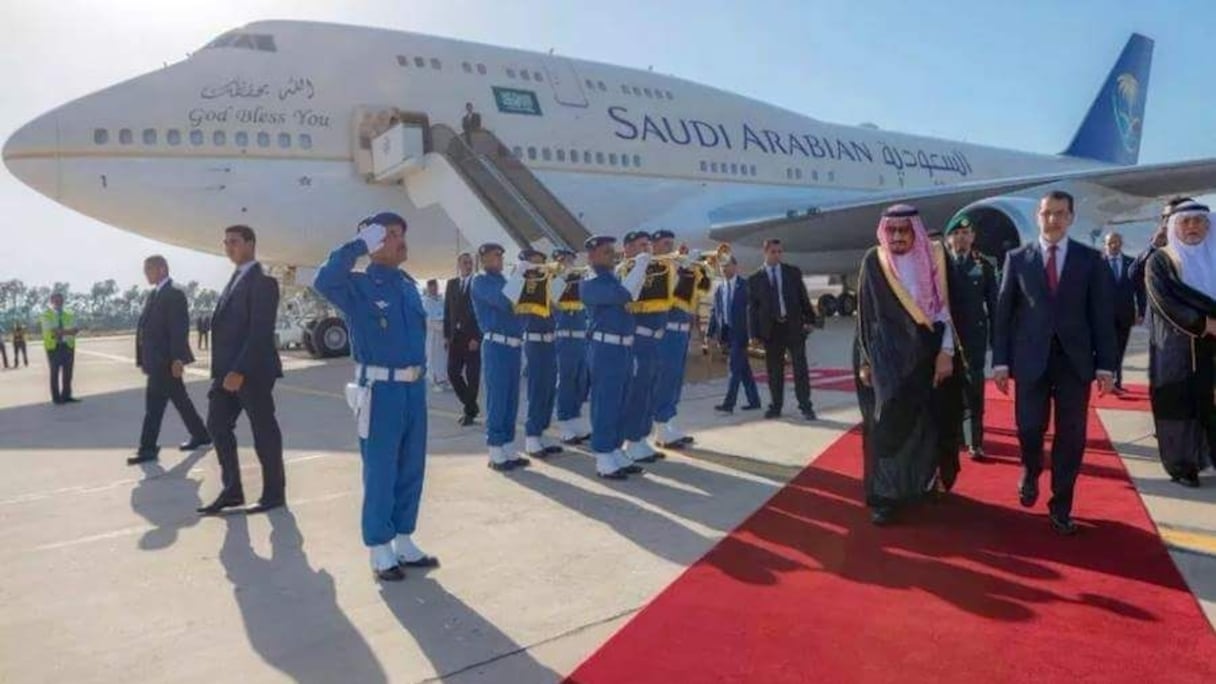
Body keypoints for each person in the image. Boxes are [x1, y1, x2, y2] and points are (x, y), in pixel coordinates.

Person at [314, 212, 439, 582]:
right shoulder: (357, 286)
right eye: (390, 235)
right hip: (380, 390)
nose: (401, 240)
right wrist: (358, 244)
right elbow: (324, 279)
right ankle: (380, 547)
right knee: (381, 468)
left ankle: (403, 538)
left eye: (401, 233)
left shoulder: (404, 285)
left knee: (411, 466)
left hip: (413, 388)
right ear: (372, 243)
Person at [993, 190, 1117, 535]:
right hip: (1030, 361)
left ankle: (1061, 505)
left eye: (1060, 213)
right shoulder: (1017, 259)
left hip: (1074, 364)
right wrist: (1001, 361)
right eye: (1047, 213)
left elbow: (1102, 317)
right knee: (1029, 428)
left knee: (1071, 437)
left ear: (1071, 217)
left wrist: (1106, 365)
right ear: (1038, 217)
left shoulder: (1090, 260)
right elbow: (1004, 315)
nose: (1053, 220)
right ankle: (1031, 470)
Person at [854, 205, 959, 525]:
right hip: (887, 359)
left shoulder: (934, 259)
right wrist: (866, 361)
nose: (897, 236)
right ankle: (885, 497)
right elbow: (865, 314)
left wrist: (946, 352)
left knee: (925, 424)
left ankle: (921, 485)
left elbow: (944, 312)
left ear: (915, 231)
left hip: (927, 356)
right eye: (892, 231)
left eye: (904, 230)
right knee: (887, 425)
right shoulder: (874, 261)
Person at [198, 225, 286, 516]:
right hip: (226, 374)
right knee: (216, 425)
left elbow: (259, 332)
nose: (228, 247)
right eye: (225, 243)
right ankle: (232, 490)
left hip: (253, 371)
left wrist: (239, 370)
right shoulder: (234, 279)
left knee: (264, 431)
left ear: (250, 244)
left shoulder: (264, 283)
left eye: (234, 242)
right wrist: (224, 372)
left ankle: (274, 493)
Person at [1145, 201, 1216, 487]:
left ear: (1208, 225)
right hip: (1178, 347)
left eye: (1198, 221)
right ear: (1175, 227)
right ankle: (1183, 466)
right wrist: (1204, 324)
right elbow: (1164, 301)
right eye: (1185, 222)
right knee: (1179, 405)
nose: (1192, 227)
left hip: (1212, 352)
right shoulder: (1161, 260)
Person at [129, 255, 211, 466]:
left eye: (149, 269)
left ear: (162, 269)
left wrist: (177, 359)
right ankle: (201, 435)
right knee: (181, 401)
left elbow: (178, 330)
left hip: (165, 362)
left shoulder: (174, 295)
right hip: (155, 361)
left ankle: (147, 448)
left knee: (153, 408)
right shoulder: (154, 295)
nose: (146, 274)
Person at [583, 235, 650, 478]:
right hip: (605, 349)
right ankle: (603, 456)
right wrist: (641, 264)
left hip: (623, 347)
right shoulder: (590, 282)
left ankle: (615, 449)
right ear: (591, 256)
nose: (613, 255)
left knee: (622, 402)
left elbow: (633, 293)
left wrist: (641, 269)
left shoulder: (613, 278)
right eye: (606, 252)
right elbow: (624, 295)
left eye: (613, 251)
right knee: (606, 402)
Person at [470, 242, 531, 471]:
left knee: (511, 398)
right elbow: (504, 301)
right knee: (497, 397)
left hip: (513, 345)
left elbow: (521, 308)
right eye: (495, 255)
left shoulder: (505, 281)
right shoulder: (480, 281)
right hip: (496, 345)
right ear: (483, 258)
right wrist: (519, 275)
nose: (499, 258)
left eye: (501, 255)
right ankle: (496, 449)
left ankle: (507, 445)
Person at [943, 216, 998, 461]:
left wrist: (998, 342)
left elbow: (994, 306)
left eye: (966, 233)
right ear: (948, 239)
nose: (962, 238)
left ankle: (975, 442)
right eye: (957, 234)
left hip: (974, 340)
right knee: (948, 391)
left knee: (974, 391)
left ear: (973, 237)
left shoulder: (984, 265)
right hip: (946, 340)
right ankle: (953, 438)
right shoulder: (939, 266)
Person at [617, 231, 675, 464]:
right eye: (642, 245)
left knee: (649, 390)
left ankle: (641, 437)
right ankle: (632, 440)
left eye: (649, 246)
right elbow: (629, 296)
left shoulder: (657, 268)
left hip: (654, 339)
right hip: (638, 339)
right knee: (637, 392)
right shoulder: (626, 269)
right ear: (628, 248)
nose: (647, 250)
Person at [748, 238, 818, 420]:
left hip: (793, 326)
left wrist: (810, 319)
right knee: (774, 371)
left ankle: (806, 406)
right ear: (765, 253)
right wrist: (753, 334)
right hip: (771, 330)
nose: (777, 255)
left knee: (800, 369)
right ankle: (775, 406)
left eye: (780, 252)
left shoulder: (792, 273)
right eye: (773, 252)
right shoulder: (755, 279)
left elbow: (803, 297)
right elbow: (753, 309)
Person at [651, 230, 700, 448]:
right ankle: (661, 427)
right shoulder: (656, 269)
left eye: (671, 243)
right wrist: (683, 268)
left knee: (676, 380)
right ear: (654, 246)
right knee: (666, 379)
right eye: (664, 244)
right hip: (667, 331)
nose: (669, 248)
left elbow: (693, 296)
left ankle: (669, 423)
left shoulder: (674, 266)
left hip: (681, 330)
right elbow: (669, 294)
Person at [517, 249, 564, 458]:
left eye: (542, 263)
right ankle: (532, 436)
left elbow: (560, 298)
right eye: (535, 263)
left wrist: (558, 273)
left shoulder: (546, 282)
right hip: (535, 341)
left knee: (548, 390)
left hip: (550, 341)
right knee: (537, 390)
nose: (540, 267)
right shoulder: (523, 284)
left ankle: (541, 433)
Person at [708, 256, 761, 413]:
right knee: (743, 368)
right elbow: (714, 313)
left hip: (741, 333)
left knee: (734, 367)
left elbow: (753, 312)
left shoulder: (745, 286)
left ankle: (729, 404)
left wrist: (753, 335)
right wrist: (710, 333)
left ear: (736, 266)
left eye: (728, 265)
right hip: (726, 333)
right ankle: (754, 400)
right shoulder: (719, 289)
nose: (724, 269)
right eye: (722, 266)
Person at [549, 247, 592, 444]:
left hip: (581, 337)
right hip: (565, 337)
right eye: (564, 260)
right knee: (566, 380)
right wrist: (563, 275)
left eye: (571, 259)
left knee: (580, 381)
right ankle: (565, 422)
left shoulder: (579, 280)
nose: (569, 263)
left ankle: (575, 419)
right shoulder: (554, 281)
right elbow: (554, 299)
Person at [1103, 231, 1143, 392]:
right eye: (1111, 242)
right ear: (1105, 245)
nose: (1114, 245)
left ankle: (1117, 382)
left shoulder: (1131, 263)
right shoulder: (1097, 263)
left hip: (1125, 314)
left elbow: (1140, 290)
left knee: (1121, 348)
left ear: (1121, 244)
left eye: (1117, 242)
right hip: (1102, 315)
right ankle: (1106, 380)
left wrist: (1141, 311)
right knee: (1105, 348)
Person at [444, 252, 481, 426]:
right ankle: (471, 405)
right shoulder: (452, 284)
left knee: (472, 376)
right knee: (453, 373)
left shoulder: (478, 284)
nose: (468, 265)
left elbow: (481, 314)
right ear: (459, 264)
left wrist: (477, 337)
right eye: (465, 262)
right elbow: (447, 312)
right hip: (455, 337)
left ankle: (469, 413)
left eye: (470, 263)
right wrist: (446, 335)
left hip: (472, 338)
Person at [41, 293, 80, 404]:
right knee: (55, 373)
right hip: (54, 347)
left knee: (68, 372)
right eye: (56, 300)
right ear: (51, 300)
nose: (59, 302)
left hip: (68, 345)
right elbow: (54, 331)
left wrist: (63, 332)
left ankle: (66, 395)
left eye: (61, 300)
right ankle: (56, 398)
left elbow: (76, 329)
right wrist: (68, 332)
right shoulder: (46, 314)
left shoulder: (70, 313)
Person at [422, 279, 447, 392]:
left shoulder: (441, 300)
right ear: (428, 288)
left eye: (435, 287)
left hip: (442, 334)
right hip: (432, 334)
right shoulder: (426, 302)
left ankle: (442, 379)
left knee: (442, 357)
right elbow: (428, 320)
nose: (434, 289)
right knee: (432, 358)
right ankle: (433, 381)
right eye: (431, 287)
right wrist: (440, 326)